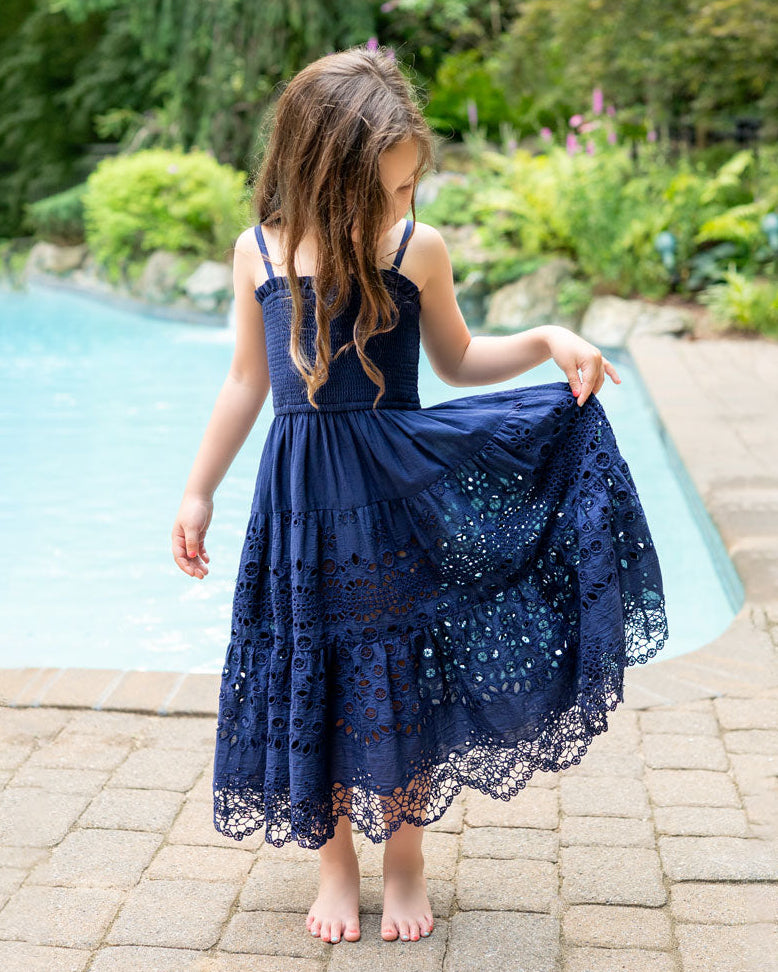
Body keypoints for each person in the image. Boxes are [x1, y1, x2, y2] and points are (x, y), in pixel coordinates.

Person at [171, 44, 669, 947]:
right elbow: (246, 382)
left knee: (393, 675)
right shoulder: (261, 252)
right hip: (299, 505)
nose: (405, 204)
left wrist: (547, 337)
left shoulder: (415, 247)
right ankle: (335, 864)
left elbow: (457, 360)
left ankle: (403, 857)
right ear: (327, 171)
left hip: (397, 493)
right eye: (392, 189)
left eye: (410, 188)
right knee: (309, 666)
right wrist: (198, 491)